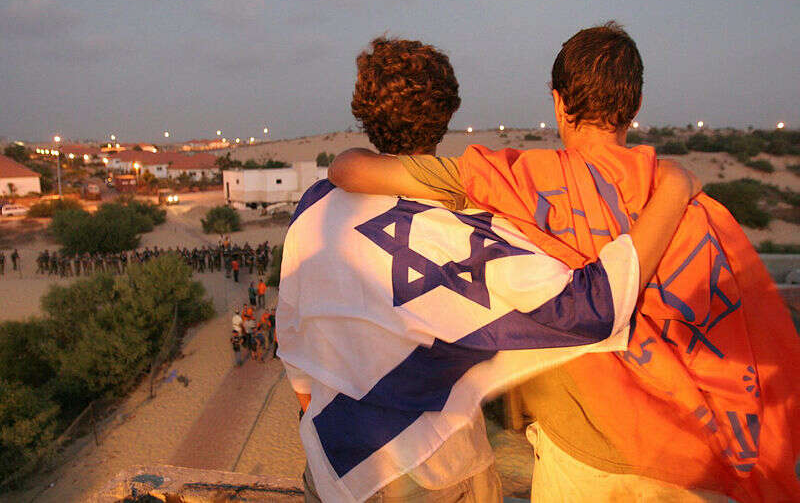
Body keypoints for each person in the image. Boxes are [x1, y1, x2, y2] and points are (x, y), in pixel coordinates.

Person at [328, 25, 800, 502]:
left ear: (557, 101)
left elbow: (350, 170)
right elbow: (746, 341)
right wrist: (676, 183)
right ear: (635, 105)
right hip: (689, 462)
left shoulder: (514, 180)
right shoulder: (695, 206)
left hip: (581, 461)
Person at [281, 37, 697, 503]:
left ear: (363, 112)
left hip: (329, 463)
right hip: (434, 472)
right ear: (447, 113)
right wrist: (675, 185)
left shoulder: (313, 209)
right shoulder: (470, 229)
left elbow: (293, 342)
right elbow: (592, 309)